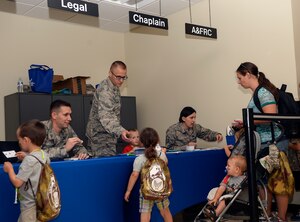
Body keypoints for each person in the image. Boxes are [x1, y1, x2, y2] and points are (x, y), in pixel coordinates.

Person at [235, 62, 293, 221]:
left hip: (275, 145)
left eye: (240, 78)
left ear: (248, 74)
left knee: (277, 181)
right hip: (267, 144)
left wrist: (247, 121)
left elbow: (271, 115)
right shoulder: (257, 93)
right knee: (262, 180)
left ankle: (281, 218)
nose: (239, 82)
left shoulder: (263, 93)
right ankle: (267, 215)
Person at [3, 120, 50, 222]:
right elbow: (36, 165)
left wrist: (10, 169)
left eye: (19, 140)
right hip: (41, 203)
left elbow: (17, 182)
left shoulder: (29, 160)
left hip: (29, 207)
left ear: (26, 140)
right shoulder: (44, 155)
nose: (19, 142)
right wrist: (27, 156)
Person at [124, 128, 173, 222]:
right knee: (165, 211)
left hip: (145, 191)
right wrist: (163, 152)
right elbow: (165, 164)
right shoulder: (161, 155)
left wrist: (128, 191)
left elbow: (134, 175)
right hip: (161, 189)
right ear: (157, 140)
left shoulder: (139, 159)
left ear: (141, 142)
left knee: (145, 213)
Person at [86, 61, 129, 157]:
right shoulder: (105, 90)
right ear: (110, 73)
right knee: (103, 169)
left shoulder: (115, 87)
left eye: (124, 77)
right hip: (99, 138)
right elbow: (107, 117)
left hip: (108, 135)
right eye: (118, 77)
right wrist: (121, 131)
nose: (121, 80)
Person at [204, 155, 247, 221]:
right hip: (228, 197)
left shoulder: (244, 179)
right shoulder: (227, 177)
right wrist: (215, 198)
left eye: (228, 166)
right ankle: (212, 207)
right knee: (214, 191)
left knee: (225, 199)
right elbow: (222, 188)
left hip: (238, 201)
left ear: (236, 169)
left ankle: (215, 214)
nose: (226, 167)